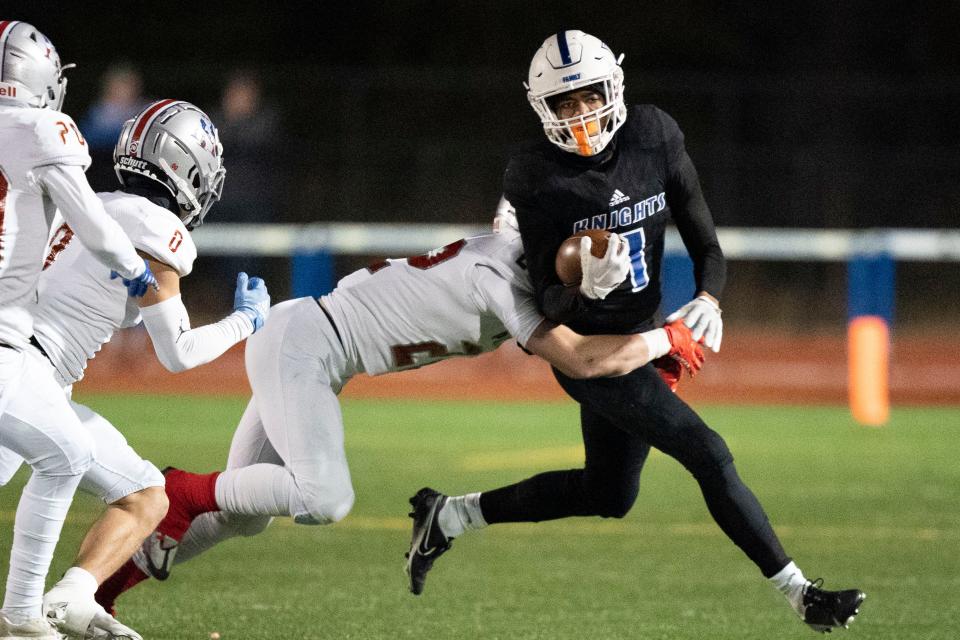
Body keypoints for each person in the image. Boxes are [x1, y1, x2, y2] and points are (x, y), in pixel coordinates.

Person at [403, 30, 865, 634]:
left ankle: (449, 516)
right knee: (708, 452)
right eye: (564, 104)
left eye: (588, 95)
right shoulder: (536, 176)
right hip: (591, 352)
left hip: (642, 329)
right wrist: (579, 288)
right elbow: (544, 296)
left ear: (613, 87)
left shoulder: (653, 135)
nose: (581, 114)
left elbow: (707, 242)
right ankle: (802, 593)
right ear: (543, 109)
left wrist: (709, 297)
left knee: (610, 494)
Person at [93, 204, 704, 613]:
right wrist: (662, 341)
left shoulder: (515, 249)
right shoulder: (499, 276)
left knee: (246, 516)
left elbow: (521, 222)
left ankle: (97, 591)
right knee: (322, 497)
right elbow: (579, 358)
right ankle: (183, 490)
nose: (573, 303)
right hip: (306, 345)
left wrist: (649, 361)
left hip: (308, 346)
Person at [0, 98, 270, 639]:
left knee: (147, 494)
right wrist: (246, 321)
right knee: (64, 462)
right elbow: (179, 354)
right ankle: (21, 619)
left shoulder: (89, 201)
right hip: (28, 369)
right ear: (186, 167)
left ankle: (73, 597)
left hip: (37, 378)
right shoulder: (158, 228)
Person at [0, 20, 159, 640]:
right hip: (10, 342)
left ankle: (39, 609)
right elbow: (90, 220)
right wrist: (135, 270)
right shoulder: (40, 128)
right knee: (63, 453)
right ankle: (20, 618)